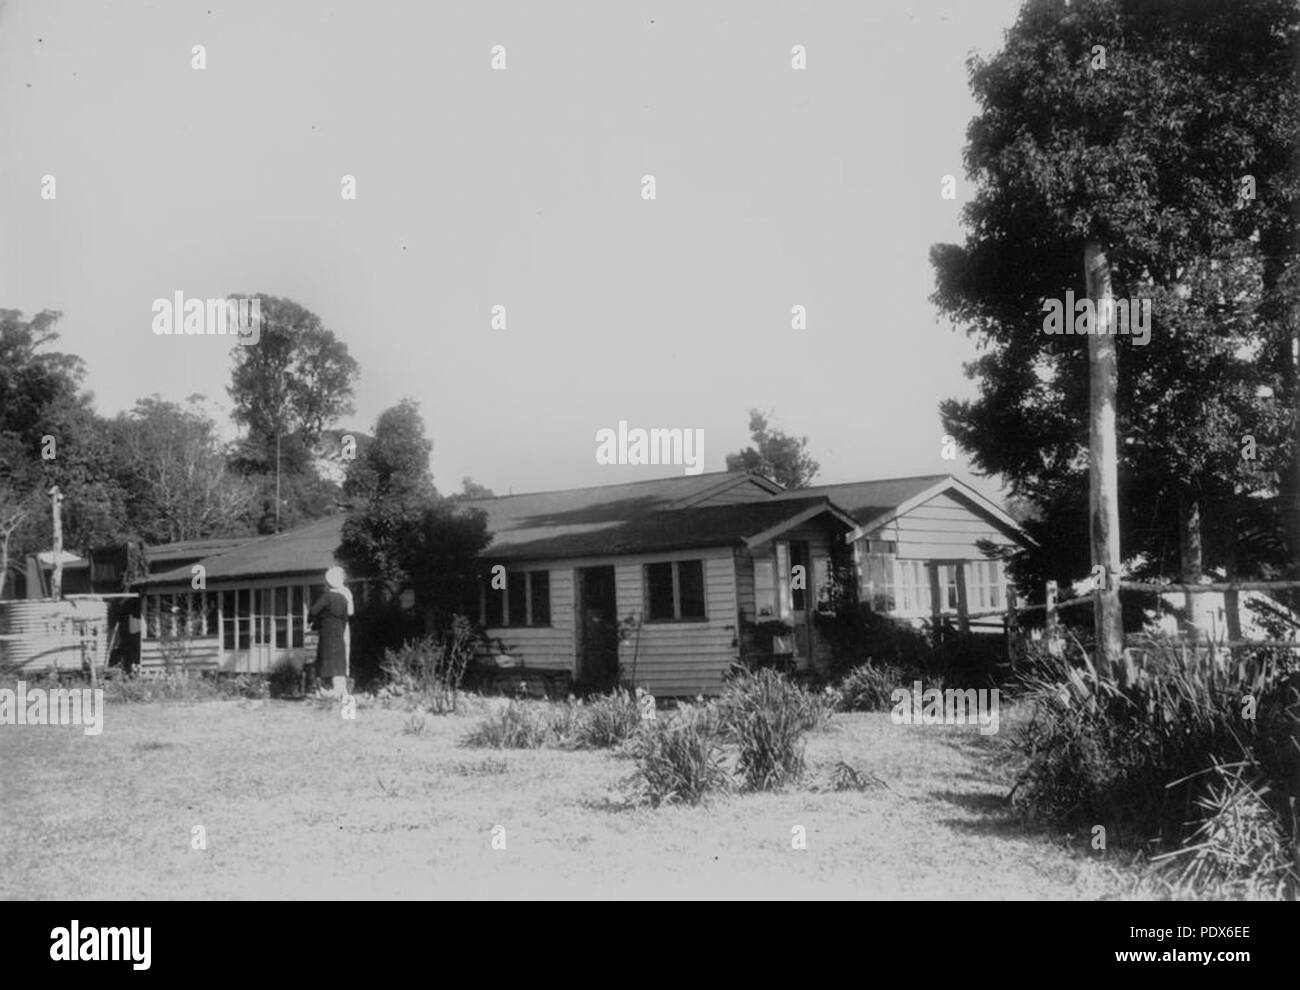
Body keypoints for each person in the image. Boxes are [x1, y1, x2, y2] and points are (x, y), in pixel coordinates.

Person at [309, 566, 354, 696]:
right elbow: (348, 614)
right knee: (339, 659)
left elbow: (313, 610)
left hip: (329, 631)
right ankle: (340, 689)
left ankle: (331, 689)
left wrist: (316, 620)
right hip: (341, 629)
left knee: (328, 659)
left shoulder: (328, 596)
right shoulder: (345, 596)